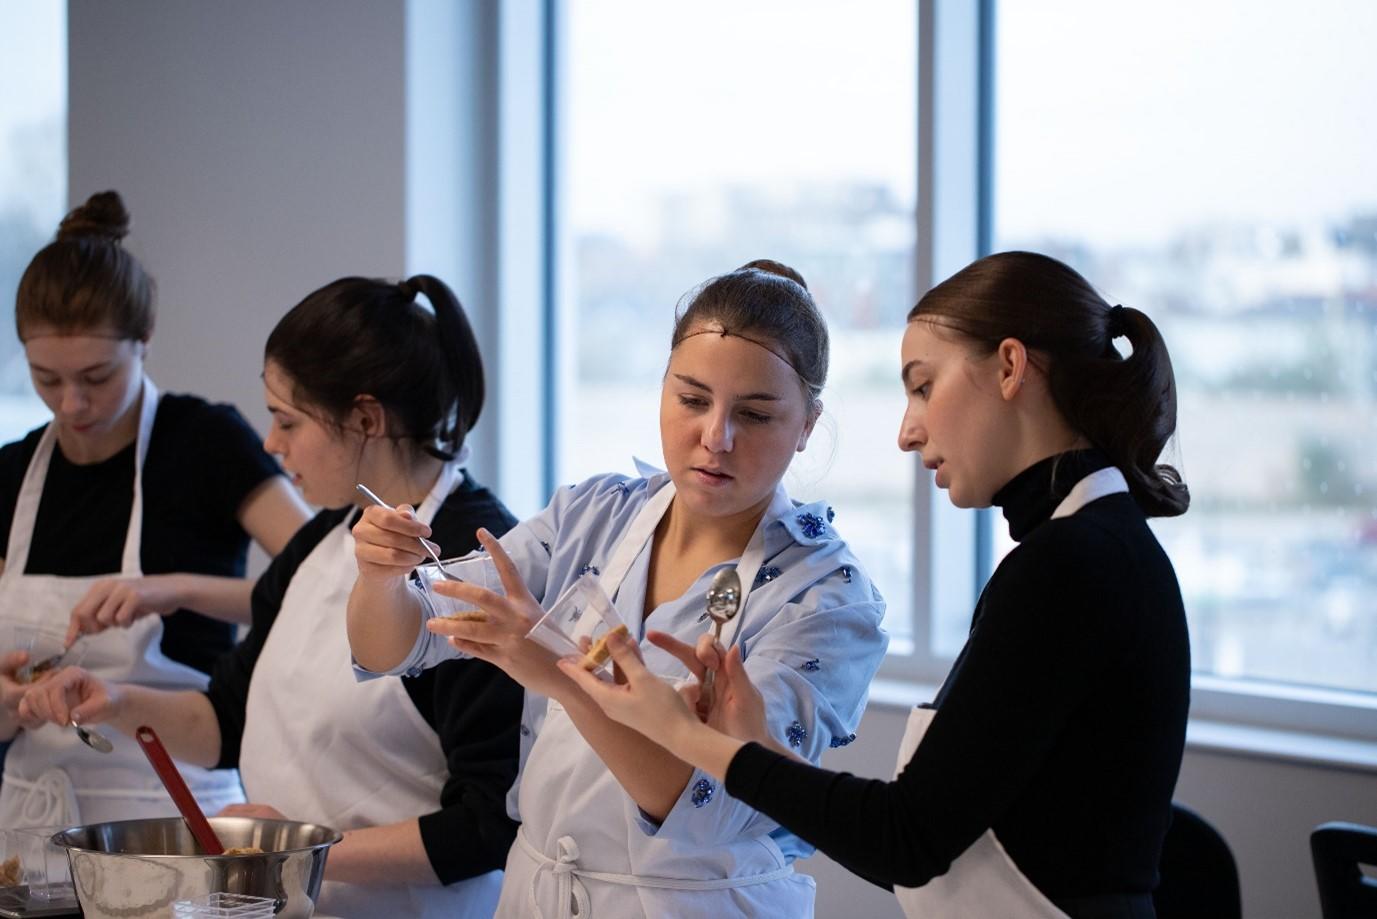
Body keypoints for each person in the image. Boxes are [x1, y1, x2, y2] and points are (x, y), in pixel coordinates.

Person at [561, 250, 1192, 919]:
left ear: (1009, 366)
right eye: (691, 398)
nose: (906, 430)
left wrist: (685, 736)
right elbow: (929, 821)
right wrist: (757, 752)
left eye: (922, 386)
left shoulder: (1071, 565)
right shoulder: (1086, 548)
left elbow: (908, 837)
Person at [348, 260, 889, 917]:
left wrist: (557, 671)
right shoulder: (591, 515)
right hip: (539, 890)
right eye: (691, 399)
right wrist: (381, 578)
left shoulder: (826, 597)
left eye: (754, 414)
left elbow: (701, 805)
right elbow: (397, 644)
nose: (714, 437)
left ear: (806, 423)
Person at [19, 274, 523, 917]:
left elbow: (489, 822)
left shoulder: (471, 564)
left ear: (365, 418)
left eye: (287, 420)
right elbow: (225, 722)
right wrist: (114, 701)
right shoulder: (319, 541)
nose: (270, 443)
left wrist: (292, 853)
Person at [0, 190, 308, 827]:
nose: (72, 403)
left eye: (96, 376)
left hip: (175, 800)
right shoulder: (11, 472)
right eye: (46, 378)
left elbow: (317, 584)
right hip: (31, 813)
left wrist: (174, 590)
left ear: (144, 339)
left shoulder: (204, 443)